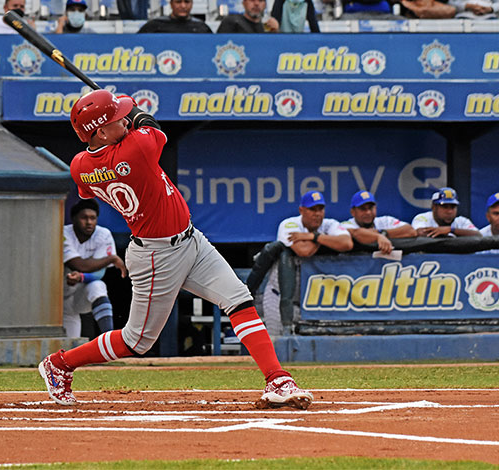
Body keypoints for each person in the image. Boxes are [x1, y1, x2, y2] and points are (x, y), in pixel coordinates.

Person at [38, 89, 313, 410]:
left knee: (238, 299)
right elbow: (148, 124)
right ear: (99, 131)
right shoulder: (136, 148)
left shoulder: (79, 165)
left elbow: (97, 169)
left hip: (190, 240)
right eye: (116, 119)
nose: (125, 120)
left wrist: (111, 116)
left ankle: (277, 378)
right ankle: (60, 364)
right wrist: (128, 115)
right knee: (136, 341)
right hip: (157, 255)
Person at [262, 190, 353, 334]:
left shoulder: (330, 224)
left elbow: (347, 243)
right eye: (312, 209)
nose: (317, 213)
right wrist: (326, 240)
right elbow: (304, 251)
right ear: (301, 210)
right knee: (277, 345)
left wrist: (313, 236)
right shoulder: (289, 224)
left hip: (313, 303)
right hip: (278, 297)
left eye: (320, 209)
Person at [63, 199, 126, 339]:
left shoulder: (103, 234)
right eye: (84, 217)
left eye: (93, 218)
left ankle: (108, 340)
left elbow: (99, 273)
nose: (89, 222)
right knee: (69, 350)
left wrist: (82, 277)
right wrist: (111, 258)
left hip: (80, 292)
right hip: (58, 298)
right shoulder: (64, 233)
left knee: (98, 286)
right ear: (74, 219)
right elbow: (79, 265)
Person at [341, 190, 417, 254]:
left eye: (371, 208)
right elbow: (357, 234)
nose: (368, 212)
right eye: (363, 209)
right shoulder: (346, 225)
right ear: (353, 212)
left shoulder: (385, 221)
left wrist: (383, 233)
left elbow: (411, 231)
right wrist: (378, 237)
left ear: (376, 208)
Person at [411, 187, 481, 238]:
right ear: (434, 207)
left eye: (452, 207)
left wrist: (451, 230)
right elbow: (420, 233)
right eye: (445, 207)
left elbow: (478, 235)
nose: (449, 211)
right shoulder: (423, 218)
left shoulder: (462, 221)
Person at [138, 0, 213, 33]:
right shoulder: (154, 26)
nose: (183, 6)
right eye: (178, 2)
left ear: (192, 4)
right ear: (171, 4)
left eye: (187, 2)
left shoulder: (202, 28)